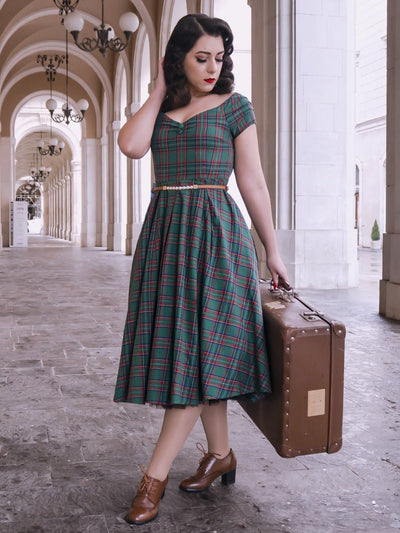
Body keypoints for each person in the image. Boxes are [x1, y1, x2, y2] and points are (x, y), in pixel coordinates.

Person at [114, 13, 289, 526]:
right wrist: (157, 90)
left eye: (219, 57)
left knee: (196, 354)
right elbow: (129, 146)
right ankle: (220, 454)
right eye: (200, 57)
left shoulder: (235, 107)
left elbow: (253, 183)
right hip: (166, 240)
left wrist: (272, 251)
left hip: (218, 240)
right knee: (192, 351)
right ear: (179, 59)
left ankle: (153, 478)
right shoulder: (162, 107)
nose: (213, 67)